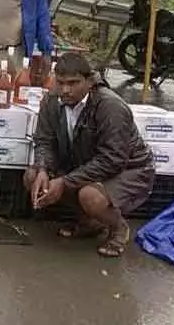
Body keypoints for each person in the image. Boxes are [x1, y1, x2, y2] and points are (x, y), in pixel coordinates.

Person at [26, 53, 155, 258]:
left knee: (90, 196)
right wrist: (43, 167)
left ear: (89, 81)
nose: (65, 90)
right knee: (34, 177)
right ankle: (89, 223)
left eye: (73, 83)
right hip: (86, 162)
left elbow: (113, 160)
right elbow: (44, 140)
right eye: (60, 83)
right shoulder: (51, 101)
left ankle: (118, 228)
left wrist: (66, 181)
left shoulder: (110, 106)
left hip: (130, 169)